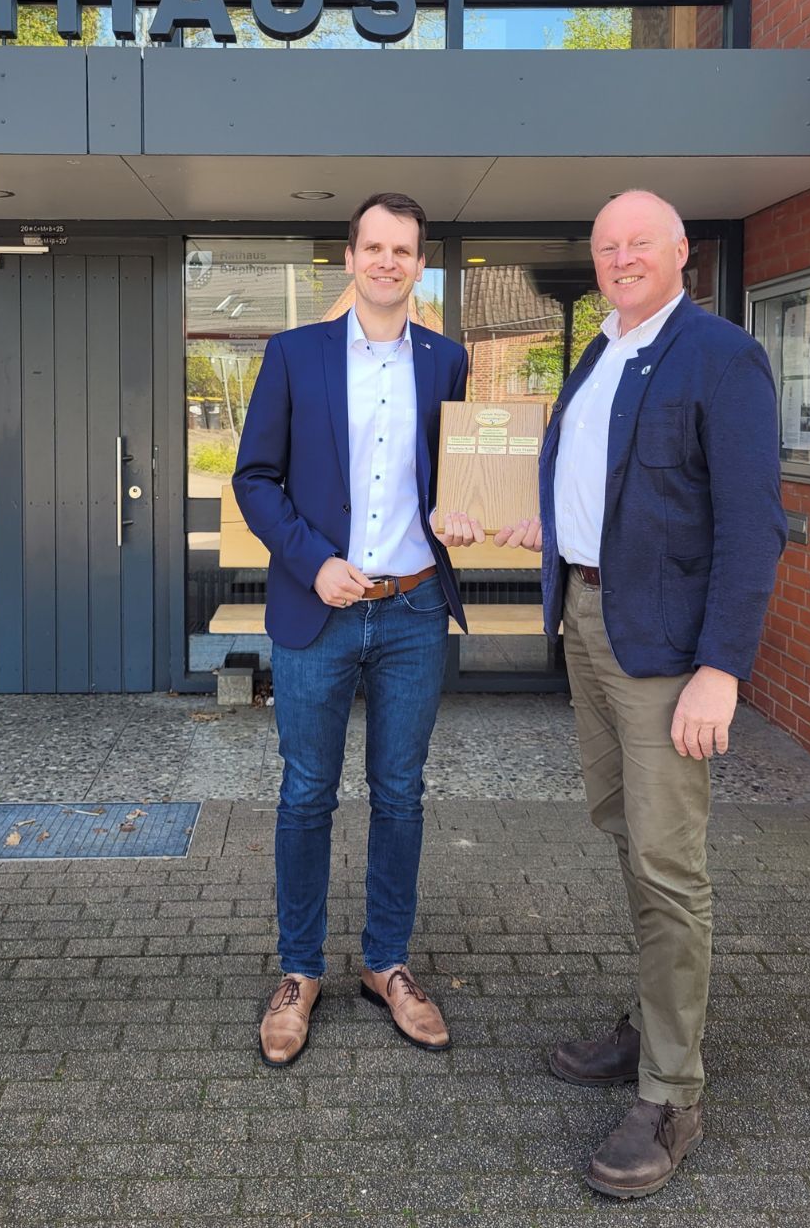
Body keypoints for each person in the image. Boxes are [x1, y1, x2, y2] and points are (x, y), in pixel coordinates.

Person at [493, 190, 786, 1199]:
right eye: (604, 244)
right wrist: (558, 534)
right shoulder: (603, 349)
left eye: (636, 243)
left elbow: (753, 526)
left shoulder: (717, 355)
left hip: (665, 653)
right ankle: (653, 1021)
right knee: (624, 828)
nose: (618, 257)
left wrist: (721, 665)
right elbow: (615, 486)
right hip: (586, 618)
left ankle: (670, 1088)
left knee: (666, 863)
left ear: (678, 253)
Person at [233, 192, 471, 1068]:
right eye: (373, 246)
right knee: (305, 794)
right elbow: (254, 479)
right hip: (319, 607)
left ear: (419, 264)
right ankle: (298, 971)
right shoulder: (293, 355)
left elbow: (455, 476)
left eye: (403, 249)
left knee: (400, 793)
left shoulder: (448, 359)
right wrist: (312, 560)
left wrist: (478, 512)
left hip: (411, 609)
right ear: (350, 257)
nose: (386, 261)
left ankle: (385, 962)